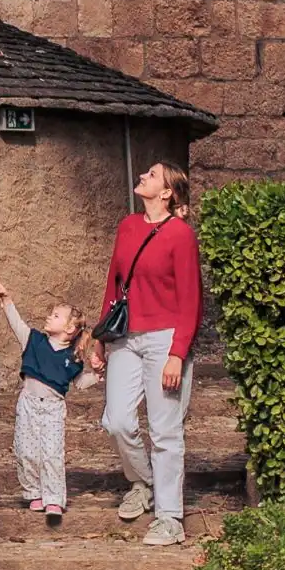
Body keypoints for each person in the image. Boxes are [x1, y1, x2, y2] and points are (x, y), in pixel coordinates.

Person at [91, 161, 204, 547]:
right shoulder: (127, 226)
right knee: (117, 420)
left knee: (165, 430)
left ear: (168, 193)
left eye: (152, 175)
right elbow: (114, 282)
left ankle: (169, 518)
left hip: (164, 339)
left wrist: (178, 353)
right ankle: (145, 480)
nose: (143, 176)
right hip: (126, 336)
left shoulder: (181, 235)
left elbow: (191, 298)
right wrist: (100, 337)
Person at [0, 279, 94, 524]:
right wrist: (6, 299)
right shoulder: (34, 340)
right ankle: (33, 492)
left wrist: (99, 373)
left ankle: (54, 499)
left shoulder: (73, 357)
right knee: (25, 450)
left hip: (52, 408)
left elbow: (80, 382)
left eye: (56, 315)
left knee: (51, 454)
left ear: (70, 329)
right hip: (28, 402)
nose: (49, 317)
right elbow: (16, 323)